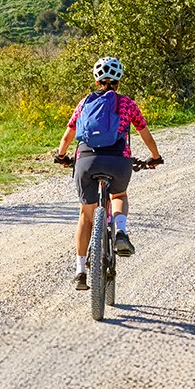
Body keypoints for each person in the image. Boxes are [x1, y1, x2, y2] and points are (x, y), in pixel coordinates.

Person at [53, 55, 163, 291]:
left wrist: (62, 156)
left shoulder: (84, 104)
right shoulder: (128, 104)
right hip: (118, 160)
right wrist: (155, 157)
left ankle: (81, 271)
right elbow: (145, 133)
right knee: (119, 196)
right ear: (119, 81)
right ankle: (121, 231)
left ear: (97, 81)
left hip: (86, 161)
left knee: (86, 215)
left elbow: (68, 136)